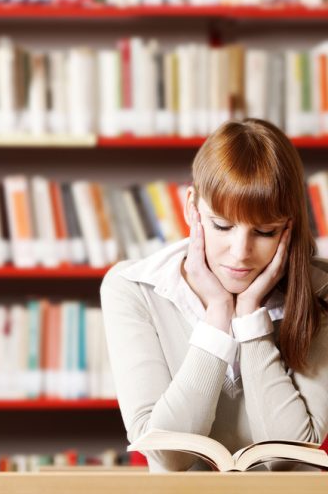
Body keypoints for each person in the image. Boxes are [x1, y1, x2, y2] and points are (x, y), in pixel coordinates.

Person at [100, 118, 328, 472]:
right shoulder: (132, 288)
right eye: (223, 225)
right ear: (193, 208)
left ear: (288, 227)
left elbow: (289, 459)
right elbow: (168, 456)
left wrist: (252, 320)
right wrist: (218, 317)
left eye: (265, 232)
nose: (240, 252)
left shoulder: (321, 292)